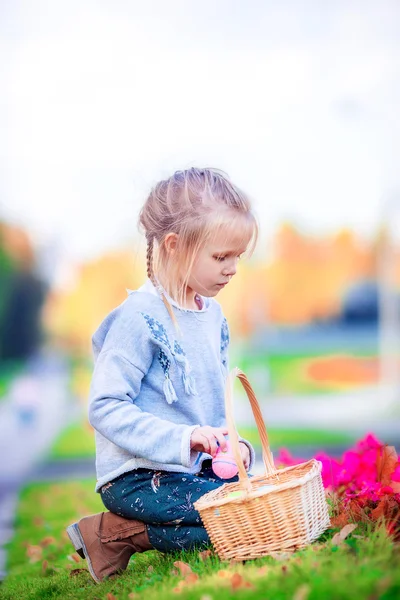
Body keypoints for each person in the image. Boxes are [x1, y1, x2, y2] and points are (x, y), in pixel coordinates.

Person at [66, 167, 258, 583]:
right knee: (231, 523)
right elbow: (104, 407)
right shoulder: (140, 318)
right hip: (139, 476)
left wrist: (232, 447)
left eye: (237, 257)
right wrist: (182, 438)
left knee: (252, 504)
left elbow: (211, 401)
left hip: (191, 470)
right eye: (221, 256)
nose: (232, 269)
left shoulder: (213, 316)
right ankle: (113, 531)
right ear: (175, 246)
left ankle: (112, 536)